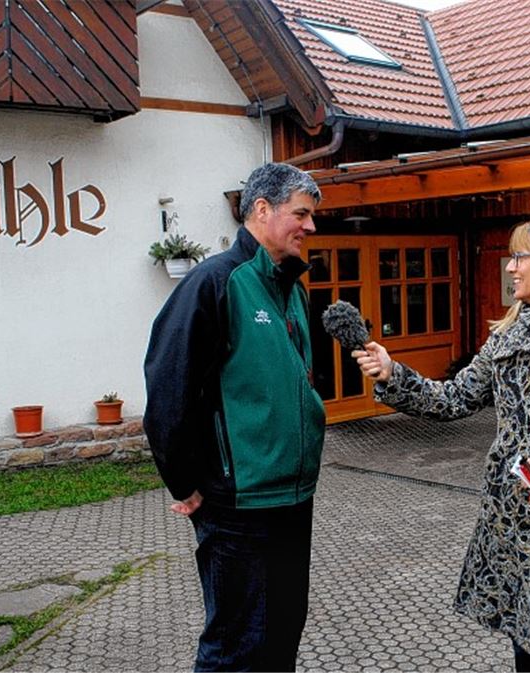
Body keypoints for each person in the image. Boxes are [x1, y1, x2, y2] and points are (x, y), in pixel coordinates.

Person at [353, 217, 530, 672]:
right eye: (510, 258)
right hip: (512, 522)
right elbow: (453, 398)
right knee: (526, 653)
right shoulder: (506, 334)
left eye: (519, 257)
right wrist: (394, 374)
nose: (510, 268)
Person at [143, 162, 326, 671]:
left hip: (292, 495)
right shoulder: (215, 281)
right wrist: (184, 482)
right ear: (262, 209)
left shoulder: (291, 287)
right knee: (236, 645)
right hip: (238, 501)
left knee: (282, 632)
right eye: (301, 214)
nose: (310, 226)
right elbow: (168, 385)